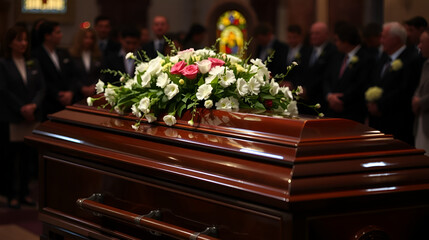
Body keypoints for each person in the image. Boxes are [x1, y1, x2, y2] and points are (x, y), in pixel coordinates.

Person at [0, 25, 45, 208]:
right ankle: (10, 194)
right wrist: (22, 108)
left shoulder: (32, 62)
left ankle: (25, 193)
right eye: (19, 40)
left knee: (27, 157)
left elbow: (42, 87)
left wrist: (33, 105)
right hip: (13, 117)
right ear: (10, 43)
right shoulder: (3, 63)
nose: (24, 43)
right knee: (11, 158)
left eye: (26, 40)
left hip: (32, 116)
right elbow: (3, 90)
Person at [367, 22, 420, 145]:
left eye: (384, 37)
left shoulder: (410, 59)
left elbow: (404, 89)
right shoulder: (383, 58)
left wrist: (380, 106)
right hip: (377, 120)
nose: (381, 40)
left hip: (397, 120)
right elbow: (373, 81)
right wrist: (370, 102)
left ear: (396, 39)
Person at [324, 22, 373, 123]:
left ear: (346, 41)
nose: (335, 44)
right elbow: (327, 78)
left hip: (352, 112)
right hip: (332, 111)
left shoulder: (366, 58)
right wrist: (329, 96)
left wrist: (341, 100)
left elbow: (360, 85)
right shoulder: (337, 56)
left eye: (337, 40)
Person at [32, 20, 79, 119]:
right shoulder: (36, 55)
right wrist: (57, 94)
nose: (61, 35)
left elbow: (73, 74)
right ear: (47, 36)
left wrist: (70, 92)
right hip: (48, 104)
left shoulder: (63, 53)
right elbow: (41, 80)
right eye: (57, 32)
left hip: (68, 102)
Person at [298, 22, 337, 114]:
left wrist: (309, 91)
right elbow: (302, 72)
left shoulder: (333, 51)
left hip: (321, 101)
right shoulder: (306, 50)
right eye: (311, 33)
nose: (313, 36)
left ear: (326, 35)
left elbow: (326, 75)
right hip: (304, 101)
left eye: (317, 33)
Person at [69, 27, 102, 100]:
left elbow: (102, 73)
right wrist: (81, 87)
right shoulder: (72, 55)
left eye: (91, 38)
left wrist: (94, 86)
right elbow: (70, 74)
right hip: (77, 94)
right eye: (86, 38)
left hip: (94, 93)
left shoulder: (98, 55)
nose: (89, 40)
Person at [413, 28, 429, 155]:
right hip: (421, 120)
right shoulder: (425, 64)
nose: (419, 46)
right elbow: (420, 87)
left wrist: (420, 102)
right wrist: (415, 98)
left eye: (422, 42)